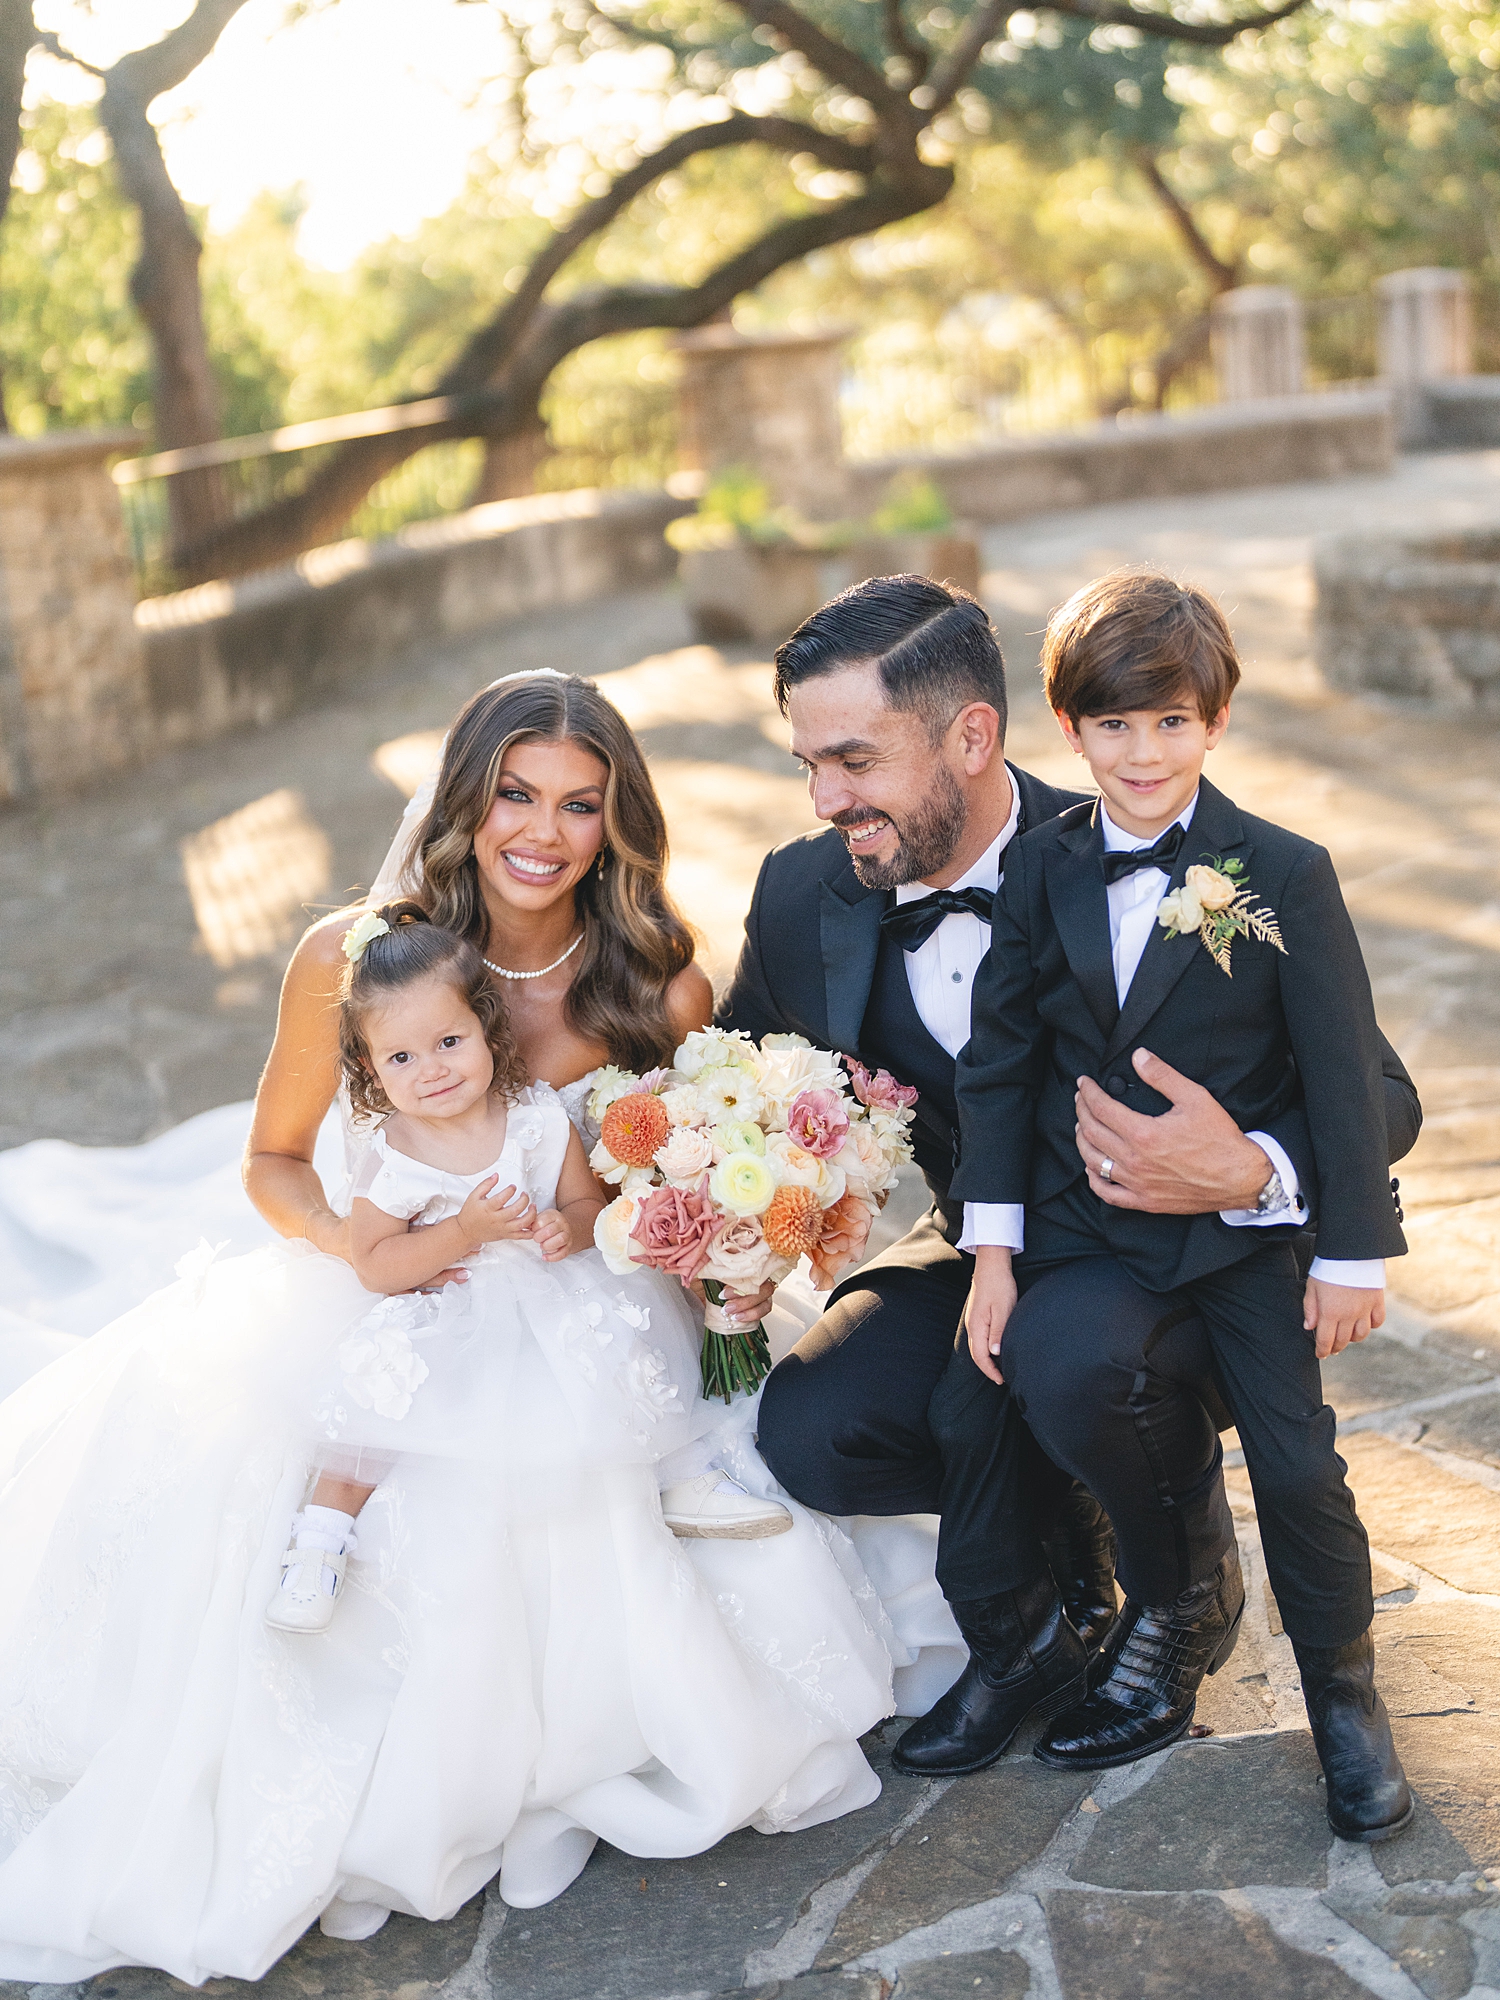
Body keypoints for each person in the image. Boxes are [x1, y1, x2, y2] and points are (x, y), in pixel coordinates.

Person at [0, 671, 901, 1985]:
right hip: (390, 1282)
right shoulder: (354, 957)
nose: (541, 830)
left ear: (615, 821)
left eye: (579, 804)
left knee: (675, 1471)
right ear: (466, 800)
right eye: (514, 794)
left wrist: (701, 1238)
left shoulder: (654, 980)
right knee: (357, 1491)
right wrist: (368, 1253)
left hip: (584, 1291)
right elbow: (274, 1163)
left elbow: (657, 1176)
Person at [717, 573, 1421, 1777]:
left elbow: (1382, 1098)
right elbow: (746, 1080)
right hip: (995, 1233)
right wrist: (725, 1204)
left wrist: (1245, 1163)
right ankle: (1049, 1616)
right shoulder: (804, 888)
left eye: (855, 759)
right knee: (819, 1425)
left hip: (1181, 1254)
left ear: (974, 736)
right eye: (808, 766)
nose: (829, 797)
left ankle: (1183, 1583)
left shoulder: (1156, 832)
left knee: (1083, 1358)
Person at [938, 571, 1411, 1842]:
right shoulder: (1040, 869)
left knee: (1305, 1467)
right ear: (1070, 728)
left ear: (1213, 722)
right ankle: (1172, 1598)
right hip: (1096, 1235)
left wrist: (1350, 1246)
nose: (1142, 754)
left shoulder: (1282, 872)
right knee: (1047, 1365)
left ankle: (1345, 1698)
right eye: (1112, 726)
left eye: (1171, 722)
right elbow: (998, 1059)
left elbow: (1344, 1075)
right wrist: (992, 1247)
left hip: (1247, 1241)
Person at [270, 901, 616, 1635]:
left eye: (449, 1042)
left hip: (543, 1300)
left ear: (488, 1029)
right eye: (400, 1058)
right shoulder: (395, 1153)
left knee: (599, 1393)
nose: (430, 1071)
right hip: (438, 1309)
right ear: (369, 1067)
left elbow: (589, 1204)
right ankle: (319, 1542)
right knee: (375, 1414)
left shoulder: (537, 1116)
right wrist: (463, 1230)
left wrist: (567, 1228)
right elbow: (375, 1262)